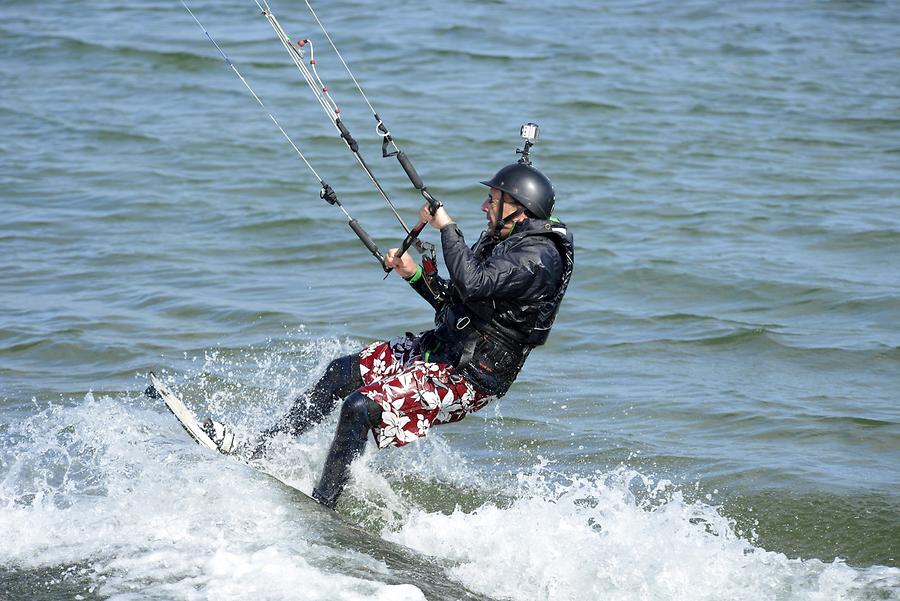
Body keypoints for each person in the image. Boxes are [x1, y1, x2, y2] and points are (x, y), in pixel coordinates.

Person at [204, 158, 574, 509]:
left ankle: (323, 505)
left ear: (519, 208)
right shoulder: (507, 243)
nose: (483, 207)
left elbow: (473, 283)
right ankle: (261, 449)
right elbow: (458, 304)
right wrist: (413, 274)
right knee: (341, 373)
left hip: (471, 376)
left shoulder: (538, 259)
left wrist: (447, 228)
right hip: (446, 349)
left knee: (359, 406)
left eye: (492, 201)